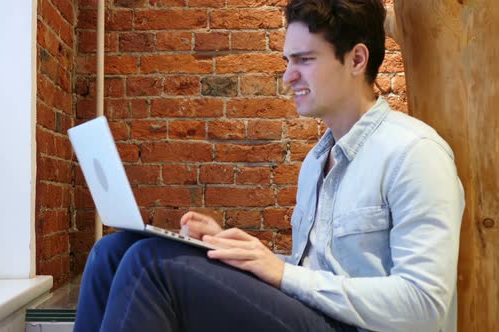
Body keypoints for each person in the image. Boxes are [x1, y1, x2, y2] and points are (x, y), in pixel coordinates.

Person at [73, 0, 465, 331]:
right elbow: (312, 272)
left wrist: (282, 273)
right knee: (115, 249)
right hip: (318, 317)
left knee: (150, 265)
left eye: (304, 60)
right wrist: (237, 248)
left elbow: (425, 306)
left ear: (356, 59)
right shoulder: (317, 162)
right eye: (286, 61)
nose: (287, 76)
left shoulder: (414, 152)